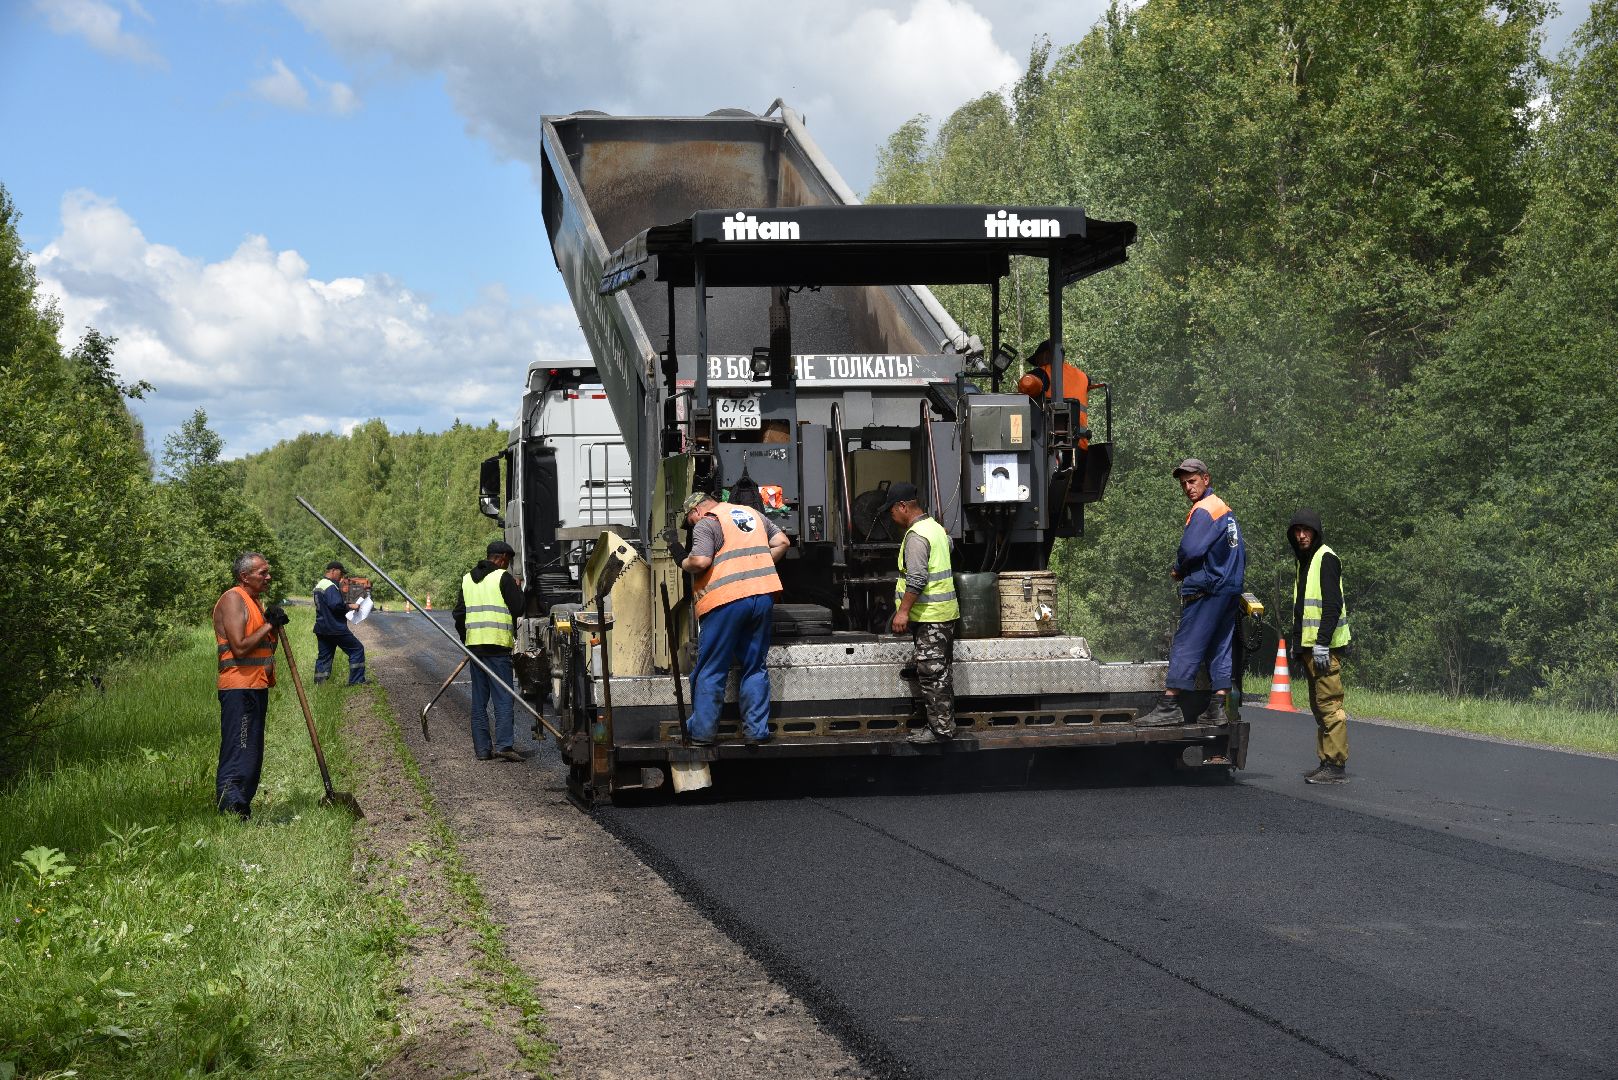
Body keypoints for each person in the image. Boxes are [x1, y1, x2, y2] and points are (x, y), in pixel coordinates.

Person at [670, 490, 789, 746]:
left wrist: (681, 559)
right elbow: (783, 542)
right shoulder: (753, 514)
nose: (692, 526)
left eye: (690, 521)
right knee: (754, 666)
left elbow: (700, 561)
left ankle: (702, 733)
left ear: (696, 511)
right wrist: (759, 567)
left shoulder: (707, 522)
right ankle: (756, 733)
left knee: (711, 668)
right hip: (763, 596)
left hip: (727, 600)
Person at [1136, 458, 1247, 726]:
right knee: (1220, 646)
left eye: (1192, 481)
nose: (1188, 487)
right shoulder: (1225, 510)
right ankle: (1217, 708)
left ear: (1206, 479)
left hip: (1208, 589)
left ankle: (1169, 705)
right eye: (1184, 483)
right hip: (1229, 589)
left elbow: (1191, 549)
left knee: (1187, 644)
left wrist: (1179, 569)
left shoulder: (1205, 510)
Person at [882, 481, 960, 745]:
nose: (890, 517)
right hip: (943, 614)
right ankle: (941, 724)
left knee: (932, 673)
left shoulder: (917, 535)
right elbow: (948, 547)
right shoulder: (936, 529)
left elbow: (917, 579)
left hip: (930, 616)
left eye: (891, 510)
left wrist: (902, 612)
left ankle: (940, 731)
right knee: (939, 672)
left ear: (902, 506)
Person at [212, 552, 287, 819]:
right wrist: (268, 625)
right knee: (239, 748)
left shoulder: (254, 601)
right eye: (262, 573)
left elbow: (265, 648)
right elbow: (240, 647)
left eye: (268, 572)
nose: (268, 577)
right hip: (238, 687)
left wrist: (273, 628)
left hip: (255, 685)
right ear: (245, 576)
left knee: (252, 752)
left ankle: (242, 806)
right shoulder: (233, 599)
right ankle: (231, 808)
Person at [1289, 508, 1352, 784]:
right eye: (1297, 531)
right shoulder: (1305, 561)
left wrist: (1322, 644)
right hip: (1310, 649)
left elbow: (1332, 606)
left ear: (1316, 532)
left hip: (1323, 649)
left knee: (1329, 705)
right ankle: (1326, 761)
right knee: (1318, 706)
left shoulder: (1326, 558)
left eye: (1307, 531)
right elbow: (1301, 609)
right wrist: (1297, 646)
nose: (1301, 536)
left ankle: (1336, 766)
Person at [453, 540, 526, 762]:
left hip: (475, 648)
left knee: (479, 700)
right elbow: (519, 607)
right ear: (502, 558)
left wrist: (468, 640)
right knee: (503, 697)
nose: (508, 566)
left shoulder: (467, 579)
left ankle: (483, 750)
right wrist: (517, 588)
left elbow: (458, 615)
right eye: (508, 562)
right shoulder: (502, 578)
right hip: (497, 647)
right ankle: (504, 745)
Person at [1017, 338, 1090, 449]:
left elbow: (1026, 387)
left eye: (1037, 361)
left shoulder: (1041, 373)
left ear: (1046, 355)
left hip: (1049, 444)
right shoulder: (1084, 376)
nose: (1037, 365)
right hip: (1080, 444)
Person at [312, 561, 367, 686]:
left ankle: (319, 685)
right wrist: (351, 606)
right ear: (333, 570)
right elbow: (336, 605)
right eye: (340, 573)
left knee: (324, 657)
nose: (341, 577)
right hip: (335, 628)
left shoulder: (320, 585)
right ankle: (357, 681)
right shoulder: (330, 586)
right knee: (357, 650)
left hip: (322, 628)